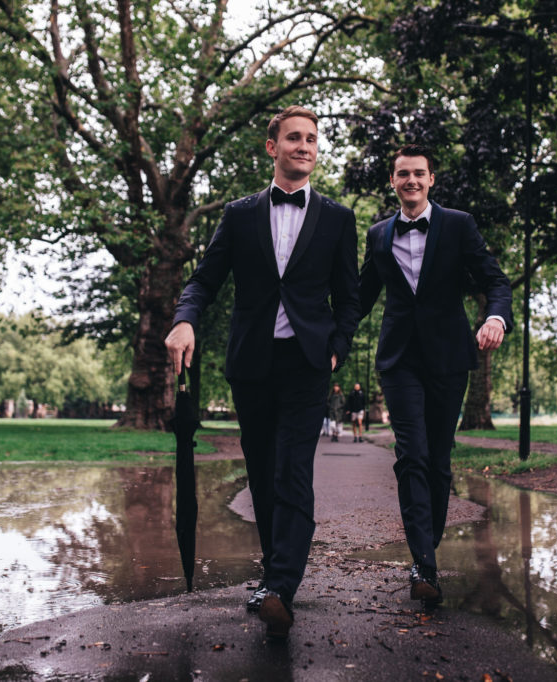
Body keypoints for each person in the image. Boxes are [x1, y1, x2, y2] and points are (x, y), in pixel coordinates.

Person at [165, 106, 359, 638]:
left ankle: (279, 585)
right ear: (271, 147)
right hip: (251, 363)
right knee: (263, 472)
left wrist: (336, 346)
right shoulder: (239, 214)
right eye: (294, 137)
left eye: (312, 139)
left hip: (307, 363)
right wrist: (185, 322)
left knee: (293, 468)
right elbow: (204, 281)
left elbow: (350, 297)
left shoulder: (339, 219)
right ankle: (275, 572)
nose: (304, 145)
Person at [358, 144, 512, 607]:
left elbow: (495, 281)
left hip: (449, 357)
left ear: (431, 180)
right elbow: (361, 296)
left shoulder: (459, 224)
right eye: (402, 174)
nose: (411, 181)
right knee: (412, 455)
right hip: (399, 359)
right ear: (393, 181)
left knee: (439, 462)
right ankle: (424, 563)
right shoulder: (377, 234)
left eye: (419, 174)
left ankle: (427, 548)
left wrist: (496, 318)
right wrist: (323, 334)